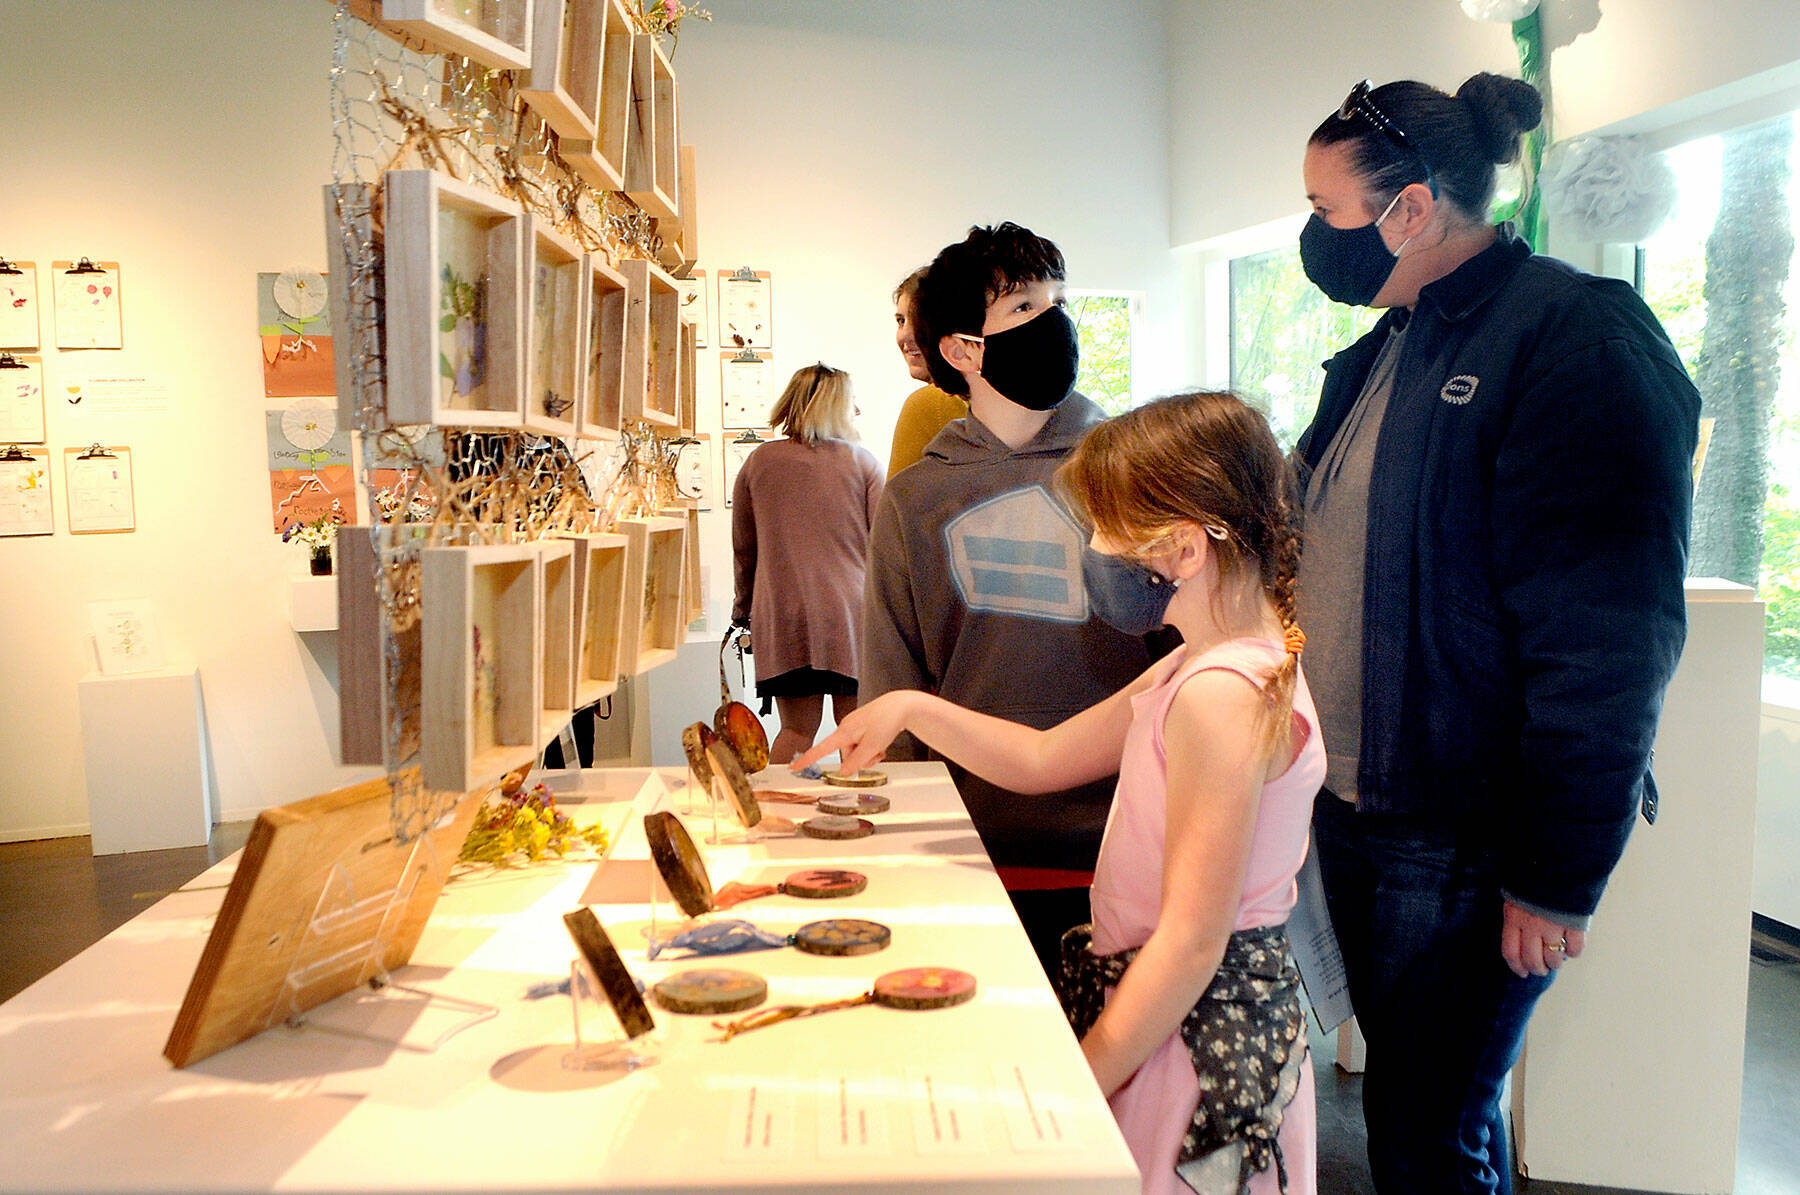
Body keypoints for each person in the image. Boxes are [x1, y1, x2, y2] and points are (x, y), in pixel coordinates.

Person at [1294, 74, 1700, 1193]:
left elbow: (1608, 640)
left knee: (1433, 1126)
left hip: (1466, 836)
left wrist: (1557, 875)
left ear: (1411, 210)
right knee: (1424, 1115)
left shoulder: (1574, 338)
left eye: (1327, 212)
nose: (1314, 238)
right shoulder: (1383, 351)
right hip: (1366, 813)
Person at [801, 391, 1323, 1195]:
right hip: (1172, 1022)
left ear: (1184, 547)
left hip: (1187, 1043)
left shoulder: (1220, 696)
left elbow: (1188, 943)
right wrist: (912, 707)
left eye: (1110, 530)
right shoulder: (1207, 660)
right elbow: (1044, 757)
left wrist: (1080, 1081)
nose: (1097, 548)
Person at [860, 222, 1153, 977]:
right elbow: (894, 688)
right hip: (969, 849)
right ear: (962, 350)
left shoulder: (1134, 470)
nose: (1053, 321)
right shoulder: (914, 500)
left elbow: (1184, 659)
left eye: (1058, 300)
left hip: (1124, 847)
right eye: (1025, 307)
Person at [730, 363, 884, 764]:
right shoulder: (862, 463)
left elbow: (745, 551)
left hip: (783, 616)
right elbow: (885, 551)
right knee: (857, 730)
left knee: (796, 731)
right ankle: (862, 808)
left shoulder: (759, 463)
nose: (859, 412)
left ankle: (782, 813)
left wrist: (742, 611)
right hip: (850, 617)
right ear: (836, 407)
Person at [886, 266, 966, 478]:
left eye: (920, 319)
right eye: (901, 321)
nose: (906, 336)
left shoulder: (926, 404)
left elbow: (900, 508)